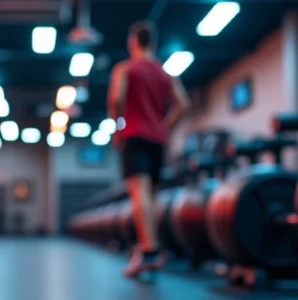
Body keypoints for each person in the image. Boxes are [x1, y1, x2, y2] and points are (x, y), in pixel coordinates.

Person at [108, 21, 191, 279]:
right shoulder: (166, 73)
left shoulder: (126, 69)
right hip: (158, 139)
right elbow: (183, 105)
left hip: (134, 135)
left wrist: (118, 125)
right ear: (153, 43)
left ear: (133, 42)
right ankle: (150, 247)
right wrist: (165, 127)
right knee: (152, 196)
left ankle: (149, 250)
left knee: (139, 194)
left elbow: (116, 99)